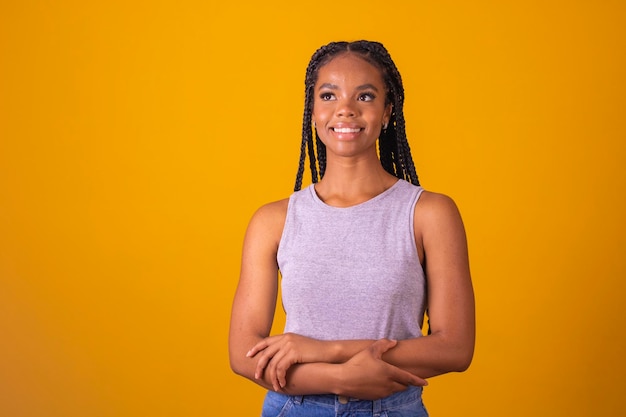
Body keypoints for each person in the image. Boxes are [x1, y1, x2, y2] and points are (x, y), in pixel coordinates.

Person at [229, 40, 475, 417]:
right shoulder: (273, 221)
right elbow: (243, 353)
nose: (345, 109)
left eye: (365, 96)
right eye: (329, 95)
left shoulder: (429, 214)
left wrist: (324, 351)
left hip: (393, 409)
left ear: (388, 111)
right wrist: (340, 380)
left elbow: (455, 348)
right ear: (312, 112)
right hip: (294, 408)